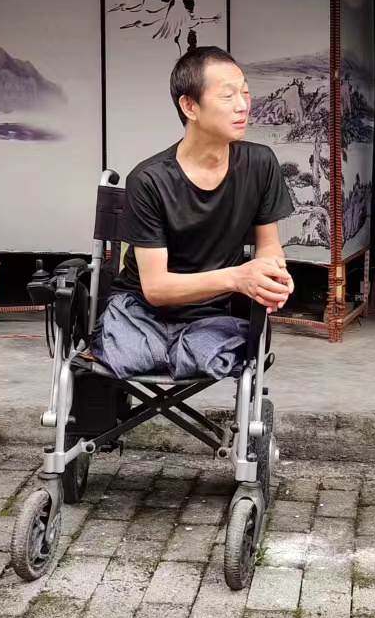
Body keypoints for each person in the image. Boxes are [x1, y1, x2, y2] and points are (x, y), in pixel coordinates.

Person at [97, 47, 296, 377]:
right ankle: (172, 351)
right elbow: (156, 288)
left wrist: (272, 275)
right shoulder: (149, 180)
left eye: (246, 92)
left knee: (213, 348)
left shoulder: (261, 164)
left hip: (213, 313)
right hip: (141, 311)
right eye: (228, 95)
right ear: (190, 106)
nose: (243, 105)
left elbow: (269, 246)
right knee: (135, 352)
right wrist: (238, 277)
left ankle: (176, 351)